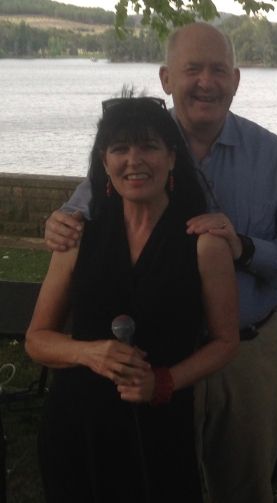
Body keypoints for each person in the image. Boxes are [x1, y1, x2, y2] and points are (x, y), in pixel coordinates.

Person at [42, 23, 277, 503]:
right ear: (166, 78)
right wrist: (58, 223)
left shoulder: (275, 157)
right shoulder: (138, 145)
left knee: (244, 490)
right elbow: (80, 213)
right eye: (192, 69)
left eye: (218, 70)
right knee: (154, 482)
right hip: (155, 358)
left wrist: (245, 248)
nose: (205, 82)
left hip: (247, 355)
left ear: (236, 79)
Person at [26, 96, 239, 502]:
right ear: (104, 163)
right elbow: (37, 340)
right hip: (77, 426)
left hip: (159, 428)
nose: (133, 160)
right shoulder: (77, 239)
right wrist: (90, 353)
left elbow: (226, 342)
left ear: (172, 158)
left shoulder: (205, 244)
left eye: (148, 146)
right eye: (120, 148)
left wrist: (163, 382)